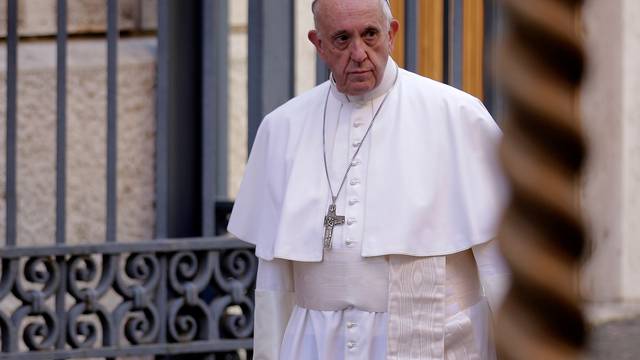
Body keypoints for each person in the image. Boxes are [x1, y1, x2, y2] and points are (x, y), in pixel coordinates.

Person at [228, 0, 509, 358]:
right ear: (318, 44)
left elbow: (500, 263)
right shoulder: (282, 128)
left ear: (391, 34)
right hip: (315, 345)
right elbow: (274, 282)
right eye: (342, 39)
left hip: (436, 340)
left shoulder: (456, 116)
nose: (359, 53)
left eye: (370, 35)